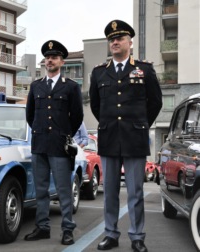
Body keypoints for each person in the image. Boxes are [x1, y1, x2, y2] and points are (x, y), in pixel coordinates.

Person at [89, 20, 162, 252]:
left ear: (130, 42)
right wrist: (109, 125)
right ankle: (110, 234)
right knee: (109, 191)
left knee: (135, 192)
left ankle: (137, 236)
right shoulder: (100, 72)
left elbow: (156, 103)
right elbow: (96, 105)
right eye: (112, 39)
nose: (115, 42)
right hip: (110, 138)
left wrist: (140, 126)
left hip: (135, 139)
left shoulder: (145, 70)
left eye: (119, 38)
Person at [25, 40, 83, 245]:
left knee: (63, 190)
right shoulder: (36, 86)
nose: (50, 60)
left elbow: (77, 116)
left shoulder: (71, 87)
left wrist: (63, 135)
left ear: (62, 61)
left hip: (59, 146)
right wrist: (41, 132)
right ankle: (42, 227)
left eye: (54, 57)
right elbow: (30, 115)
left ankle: (68, 229)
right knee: (41, 190)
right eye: (47, 57)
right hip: (39, 145)